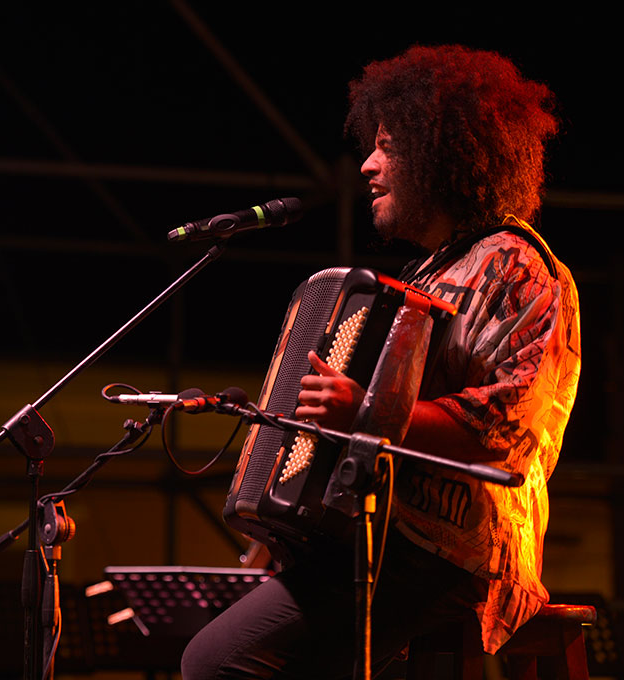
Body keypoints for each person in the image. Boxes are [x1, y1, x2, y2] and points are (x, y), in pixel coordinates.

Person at [181, 45, 581, 679]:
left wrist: (365, 412)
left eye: (387, 147)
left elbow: (507, 431)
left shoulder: (519, 267)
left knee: (217, 660)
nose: (367, 165)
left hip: (455, 556)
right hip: (386, 540)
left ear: (442, 153)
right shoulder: (430, 272)